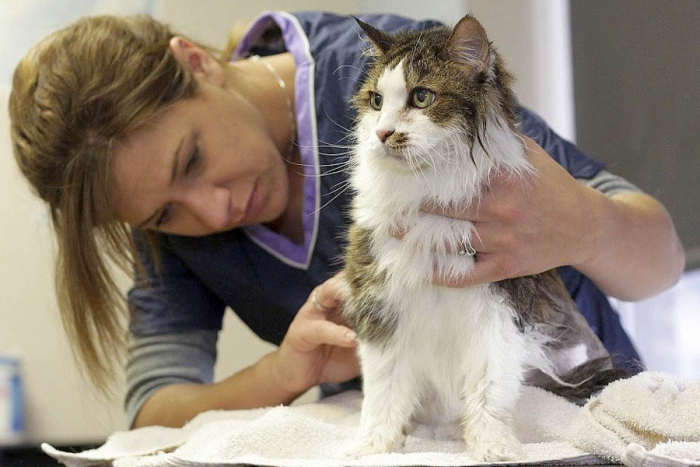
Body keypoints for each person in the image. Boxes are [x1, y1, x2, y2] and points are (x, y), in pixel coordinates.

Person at [8, 10, 685, 429]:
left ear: (194, 62)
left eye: (192, 159)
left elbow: (661, 259)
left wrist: (581, 224)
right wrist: (283, 372)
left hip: (589, 405)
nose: (211, 210)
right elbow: (153, 410)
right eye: (163, 211)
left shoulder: (384, 77)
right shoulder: (161, 219)